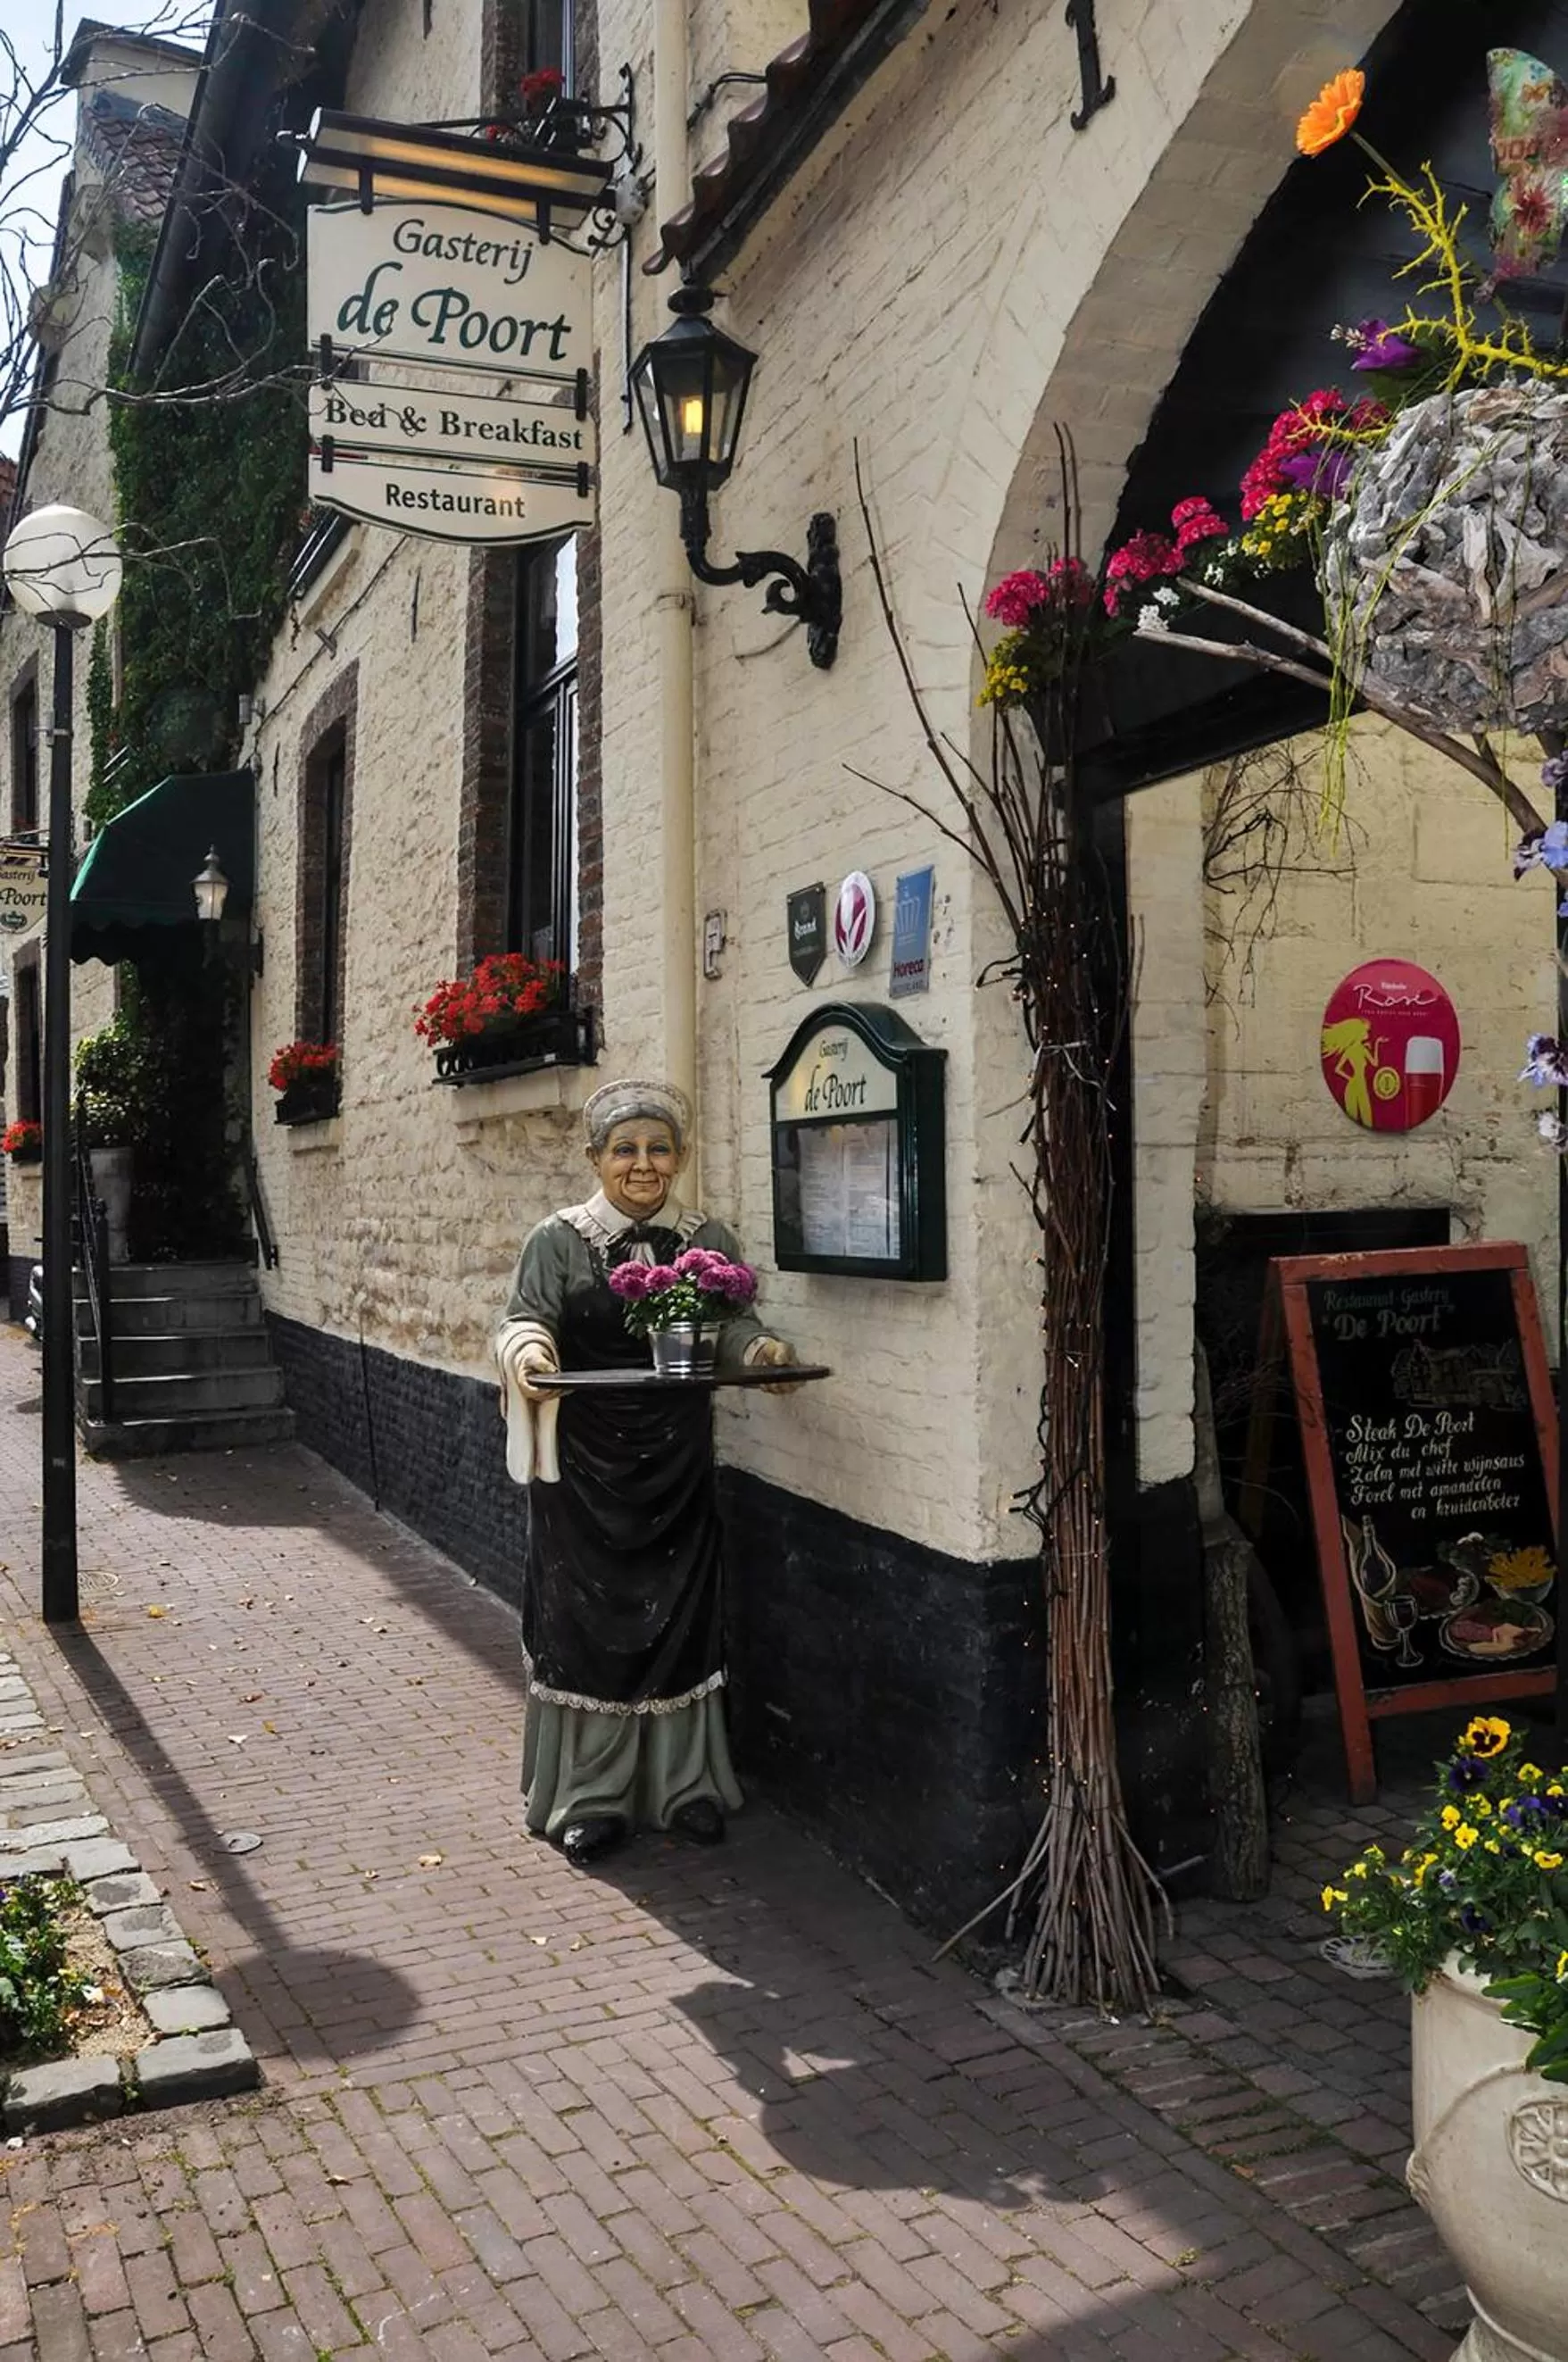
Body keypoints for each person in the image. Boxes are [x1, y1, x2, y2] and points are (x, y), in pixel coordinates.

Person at [495, 1077, 798, 1868]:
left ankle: (683, 1783)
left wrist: (761, 1353)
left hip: (676, 1461)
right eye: (624, 1149)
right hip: (583, 1473)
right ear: (595, 1158)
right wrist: (528, 1353)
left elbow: (735, 1327)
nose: (642, 1163)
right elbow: (524, 1316)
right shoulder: (557, 1240)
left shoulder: (707, 1238)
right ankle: (589, 1796)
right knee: (586, 1624)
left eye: (658, 1148)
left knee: (681, 1614)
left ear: (680, 1156)